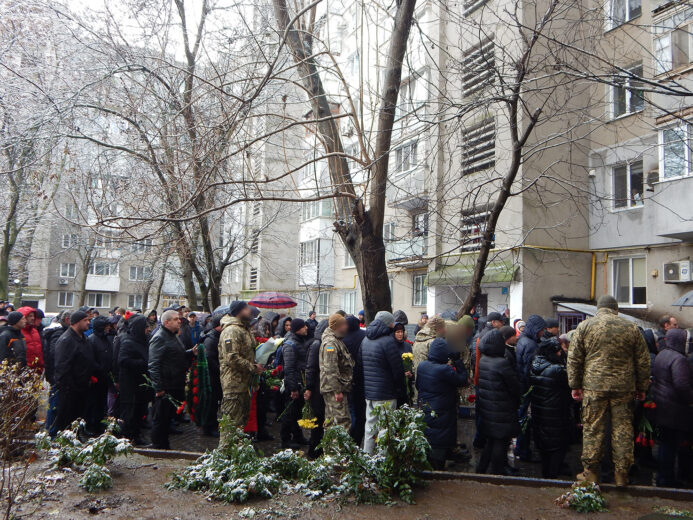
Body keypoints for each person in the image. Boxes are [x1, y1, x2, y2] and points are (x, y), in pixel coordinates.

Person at [567, 295, 651, 486]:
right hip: (624, 387)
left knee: (593, 428)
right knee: (623, 429)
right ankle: (621, 474)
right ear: (616, 309)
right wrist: (642, 386)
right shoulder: (630, 327)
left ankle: (591, 473)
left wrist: (575, 385)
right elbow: (643, 361)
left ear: (599, 308)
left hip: (594, 387)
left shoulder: (585, 326)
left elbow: (574, 359)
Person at [416, 337, 468, 469]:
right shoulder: (445, 370)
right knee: (440, 440)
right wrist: (457, 361)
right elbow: (463, 380)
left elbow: (418, 385)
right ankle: (438, 467)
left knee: (431, 436)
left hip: (426, 409)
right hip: (443, 411)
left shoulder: (422, 366)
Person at [475, 329, 522, 476]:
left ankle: (481, 469)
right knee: (500, 442)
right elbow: (515, 387)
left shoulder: (483, 360)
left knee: (491, 440)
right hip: (501, 409)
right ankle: (497, 472)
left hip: (488, 408)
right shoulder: (501, 364)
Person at [360, 311, 407, 454]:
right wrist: (401, 390)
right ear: (388, 324)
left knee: (370, 428)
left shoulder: (365, 340)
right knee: (385, 430)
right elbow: (397, 370)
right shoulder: (388, 342)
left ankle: (367, 460)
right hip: (386, 394)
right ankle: (383, 463)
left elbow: (360, 366)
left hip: (370, 393)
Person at [218, 301, 263, 447]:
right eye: (246, 308)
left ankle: (236, 456)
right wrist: (252, 367)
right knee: (231, 425)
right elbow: (231, 357)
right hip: (234, 384)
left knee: (240, 424)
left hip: (245, 383)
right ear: (238, 311)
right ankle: (225, 458)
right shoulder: (232, 330)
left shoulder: (244, 329)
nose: (249, 311)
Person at [148, 309, 195, 450]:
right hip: (166, 385)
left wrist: (190, 353)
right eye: (176, 319)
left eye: (179, 319)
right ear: (167, 322)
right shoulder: (159, 337)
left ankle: (164, 444)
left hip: (175, 383)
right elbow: (153, 364)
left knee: (168, 417)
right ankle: (158, 446)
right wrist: (159, 388)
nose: (179, 321)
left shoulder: (172, 335)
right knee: (160, 418)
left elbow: (175, 355)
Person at [652, 328, 693, 487]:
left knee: (665, 443)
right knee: (670, 445)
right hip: (674, 409)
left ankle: (664, 476)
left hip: (662, 406)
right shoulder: (679, 359)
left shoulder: (662, 354)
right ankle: (667, 479)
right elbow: (681, 384)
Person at [530, 336, 572, 479]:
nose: (562, 353)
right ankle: (552, 477)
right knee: (557, 446)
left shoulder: (535, 364)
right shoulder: (557, 370)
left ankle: (547, 473)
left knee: (544, 445)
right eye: (560, 351)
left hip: (539, 411)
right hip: (555, 413)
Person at [53, 311, 95, 433]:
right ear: (76, 322)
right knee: (66, 420)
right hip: (70, 390)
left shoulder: (83, 338)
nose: (88, 322)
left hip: (82, 387)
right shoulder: (66, 340)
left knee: (77, 418)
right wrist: (69, 387)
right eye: (85, 320)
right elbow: (62, 367)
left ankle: (76, 436)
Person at [514, 314, 547, 461]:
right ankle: (524, 451)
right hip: (526, 388)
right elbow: (528, 370)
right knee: (524, 420)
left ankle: (520, 449)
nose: (542, 333)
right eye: (541, 330)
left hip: (521, 387)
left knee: (522, 418)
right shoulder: (531, 345)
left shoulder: (522, 340)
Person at [118, 315, 150, 445]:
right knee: (130, 412)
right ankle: (128, 437)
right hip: (130, 384)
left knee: (138, 411)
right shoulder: (128, 342)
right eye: (146, 327)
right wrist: (143, 363)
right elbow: (123, 361)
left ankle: (135, 435)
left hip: (140, 383)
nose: (148, 329)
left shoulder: (143, 340)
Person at [319, 313, 353, 429]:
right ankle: (338, 447)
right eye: (344, 324)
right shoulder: (331, 344)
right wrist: (337, 391)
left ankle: (330, 447)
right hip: (334, 389)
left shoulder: (336, 340)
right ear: (336, 326)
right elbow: (330, 368)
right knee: (342, 422)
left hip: (333, 388)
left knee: (331, 421)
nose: (346, 327)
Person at [281, 318, 310, 450]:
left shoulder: (299, 341)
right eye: (304, 326)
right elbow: (289, 368)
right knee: (289, 412)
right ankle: (285, 439)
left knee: (297, 412)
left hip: (299, 382)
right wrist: (293, 388)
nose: (306, 328)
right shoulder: (290, 344)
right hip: (293, 384)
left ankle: (298, 436)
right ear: (298, 328)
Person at [305, 319, 328, 458]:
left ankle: (318, 448)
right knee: (317, 420)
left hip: (320, 386)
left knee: (320, 419)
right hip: (316, 388)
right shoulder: (317, 344)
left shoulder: (321, 343)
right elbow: (311, 368)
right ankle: (313, 451)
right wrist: (309, 387)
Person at [86, 316, 114, 434]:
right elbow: (90, 360)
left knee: (101, 403)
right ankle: (91, 426)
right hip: (96, 378)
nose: (109, 328)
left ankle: (99, 424)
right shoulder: (92, 340)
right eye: (106, 326)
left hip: (104, 378)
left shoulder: (106, 339)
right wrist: (99, 370)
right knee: (93, 403)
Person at [342, 315, 366, 444]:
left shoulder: (344, 339)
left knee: (352, 410)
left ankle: (351, 440)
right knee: (361, 411)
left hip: (350, 379)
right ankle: (358, 438)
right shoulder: (365, 335)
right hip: (363, 377)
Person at [200, 314, 223, 437]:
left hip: (215, 376)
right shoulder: (211, 339)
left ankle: (212, 425)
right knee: (211, 403)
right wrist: (221, 370)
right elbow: (209, 358)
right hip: (211, 377)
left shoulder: (217, 337)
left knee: (214, 403)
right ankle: (208, 428)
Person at [17, 306, 43, 370]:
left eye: (33, 316)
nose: (33, 318)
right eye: (30, 316)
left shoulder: (35, 331)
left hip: (38, 369)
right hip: (25, 370)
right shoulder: (18, 332)